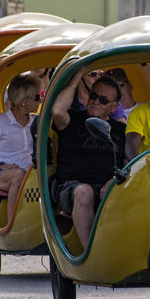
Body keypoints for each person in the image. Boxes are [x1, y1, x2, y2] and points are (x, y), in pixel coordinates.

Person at [51, 72, 127, 248]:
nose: (95, 101)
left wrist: (114, 181)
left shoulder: (119, 130)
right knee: (84, 192)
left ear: (114, 107)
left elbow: (127, 163)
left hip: (107, 186)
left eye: (103, 100)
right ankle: (91, 254)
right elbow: (57, 111)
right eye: (93, 96)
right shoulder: (73, 119)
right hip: (72, 187)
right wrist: (77, 76)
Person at [0, 73, 45, 209]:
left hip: (31, 172)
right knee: (19, 175)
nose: (40, 101)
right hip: (3, 174)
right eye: (37, 97)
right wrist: (1, 165)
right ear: (23, 101)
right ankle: (12, 224)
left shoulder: (36, 121)